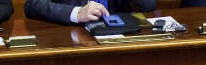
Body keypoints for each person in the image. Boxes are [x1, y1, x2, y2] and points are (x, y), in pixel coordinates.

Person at [22, 0, 150, 25]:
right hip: (73, 44)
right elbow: (32, 5)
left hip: (120, 39)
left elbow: (148, 5)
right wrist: (76, 13)